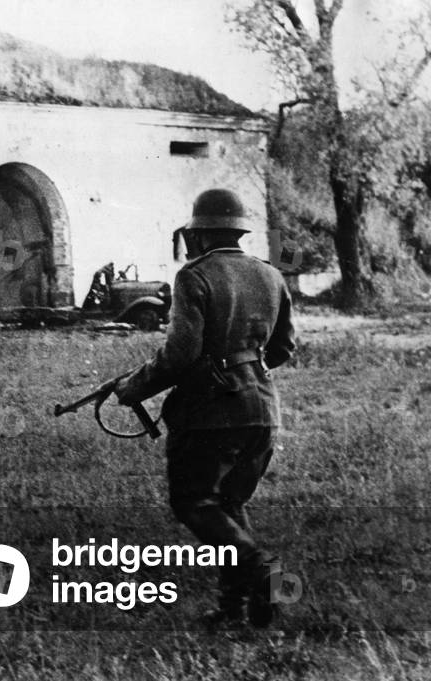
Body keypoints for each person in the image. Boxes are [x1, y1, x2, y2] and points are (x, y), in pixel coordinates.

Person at [113, 188, 296, 628]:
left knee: (194, 502)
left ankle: (264, 571)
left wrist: (134, 388)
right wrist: (243, 367)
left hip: (212, 416)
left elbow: (180, 355)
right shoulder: (271, 275)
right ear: (238, 232)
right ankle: (236, 610)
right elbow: (283, 348)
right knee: (228, 505)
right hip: (263, 412)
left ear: (199, 234)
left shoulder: (194, 276)